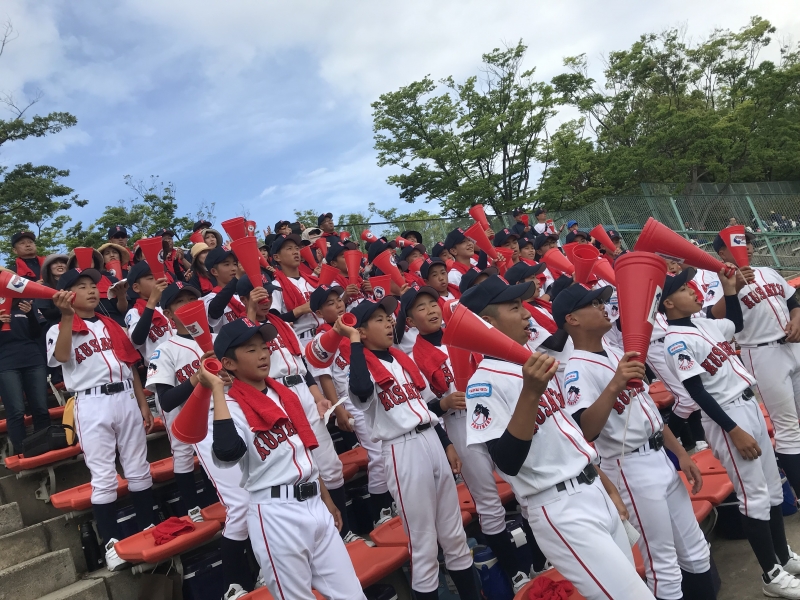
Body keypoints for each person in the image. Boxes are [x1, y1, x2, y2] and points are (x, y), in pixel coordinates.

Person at [460, 275, 655, 599]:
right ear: (487, 323)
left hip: (591, 488)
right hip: (559, 506)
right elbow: (507, 462)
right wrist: (530, 393)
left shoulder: (530, 362)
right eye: (514, 307)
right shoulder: (484, 383)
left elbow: (569, 439)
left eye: (522, 305)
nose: (526, 313)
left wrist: (606, 486)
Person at [557, 284, 716, 600]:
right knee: (663, 564)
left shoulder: (616, 352)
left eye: (601, 301)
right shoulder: (575, 369)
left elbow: (649, 410)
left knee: (697, 550)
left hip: (659, 455)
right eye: (593, 304)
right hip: (629, 466)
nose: (603, 307)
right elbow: (586, 430)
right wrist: (615, 384)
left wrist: (681, 453)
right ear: (572, 319)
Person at [660, 266, 800, 598]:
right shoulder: (675, 341)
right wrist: (733, 430)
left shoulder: (703, 323)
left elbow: (735, 322)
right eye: (684, 289)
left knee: (772, 491)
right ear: (668, 303)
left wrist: (729, 289)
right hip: (727, 417)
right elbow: (696, 391)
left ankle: (782, 557)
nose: (693, 290)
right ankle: (770, 575)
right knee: (754, 497)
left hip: (747, 405)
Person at [207, 318, 367, 600]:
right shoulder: (231, 407)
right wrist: (218, 390)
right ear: (228, 363)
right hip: (276, 514)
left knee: (353, 595)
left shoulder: (285, 395)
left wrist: (326, 498)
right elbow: (227, 451)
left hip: (314, 503)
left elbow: (304, 453)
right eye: (251, 349)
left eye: (264, 347)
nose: (262, 354)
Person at [344, 297, 480, 600]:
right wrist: (353, 341)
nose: (388, 322)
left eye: (388, 317)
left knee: (455, 537)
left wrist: (446, 443)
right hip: (402, 449)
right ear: (362, 331)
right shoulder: (362, 366)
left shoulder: (400, 359)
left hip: (431, 438)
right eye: (379, 319)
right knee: (424, 546)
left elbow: (422, 407)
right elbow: (362, 389)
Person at [402, 285, 533, 592]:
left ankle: (537, 559)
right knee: (488, 501)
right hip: (459, 423)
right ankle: (516, 573)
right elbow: (418, 409)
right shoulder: (412, 358)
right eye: (421, 307)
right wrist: (443, 403)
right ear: (409, 321)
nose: (431, 310)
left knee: (525, 486)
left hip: (494, 413)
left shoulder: (466, 333)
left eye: (432, 303)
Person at [146, 282, 255, 599]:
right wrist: (197, 378)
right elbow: (166, 402)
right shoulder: (165, 349)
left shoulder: (219, 340)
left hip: (238, 414)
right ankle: (234, 585)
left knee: (261, 497)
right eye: (179, 301)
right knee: (241, 505)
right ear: (168, 314)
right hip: (203, 424)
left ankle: (262, 568)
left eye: (192, 298)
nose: (187, 304)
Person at [48, 268, 156, 571]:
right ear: (67, 295)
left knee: (139, 467)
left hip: (126, 396)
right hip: (92, 401)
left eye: (93, 285)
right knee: (104, 476)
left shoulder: (112, 324)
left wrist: (142, 403)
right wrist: (66, 316)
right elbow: (61, 357)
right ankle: (111, 543)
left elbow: (130, 365)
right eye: (81, 286)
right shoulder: (58, 328)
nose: (91, 290)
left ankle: (149, 528)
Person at [237, 275, 356, 545]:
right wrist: (250, 311)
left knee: (331, 466)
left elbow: (304, 367)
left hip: (301, 388)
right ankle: (317, 536)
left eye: (268, 294)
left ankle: (344, 531)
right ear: (244, 299)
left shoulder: (280, 324)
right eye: (258, 295)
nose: (265, 299)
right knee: (301, 469)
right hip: (276, 394)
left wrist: (318, 398)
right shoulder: (241, 332)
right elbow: (245, 341)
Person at [713, 231, 800, 501]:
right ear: (722, 253)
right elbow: (713, 319)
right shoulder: (719, 281)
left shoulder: (768, 271)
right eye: (738, 243)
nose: (747, 247)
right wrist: (733, 288)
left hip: (794, 345)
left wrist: (797, 318)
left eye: (748, 242)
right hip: (762, 353)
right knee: (787, 427)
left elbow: (793, 303)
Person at [308, 285, 395, 527]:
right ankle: (381, 512)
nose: (338, 305)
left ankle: (390, 502)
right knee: (377, 455)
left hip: (372, 394)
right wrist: (338, 410)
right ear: (318, 312)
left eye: (339, 300)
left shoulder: (354, 330)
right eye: (330, 303)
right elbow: (325, 376)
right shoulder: (322, 338)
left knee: (386, 452)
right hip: (349, 401)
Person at [0, 297, 50, 455]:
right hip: (6, 363)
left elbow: (37, 333)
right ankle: (22, 453)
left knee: (41, 408)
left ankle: (44, 448)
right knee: (16, 411)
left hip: (33, 359)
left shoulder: (25, 303)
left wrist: (30, 315)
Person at [269, 234, 323, 347]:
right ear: (277, 257)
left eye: (297, 248)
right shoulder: (275, 286)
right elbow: (273, 320)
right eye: (289, 248)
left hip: (325, 332)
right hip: (301, 339)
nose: (295, 252)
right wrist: (299, 310)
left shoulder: (313, 281)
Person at [204, 247, 246, 331]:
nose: (234, 268)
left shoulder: (245, 293)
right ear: (214, 271)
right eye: (227, 264)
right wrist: (236, 279)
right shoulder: (208, 298)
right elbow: (215, 310)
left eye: (235, 264)